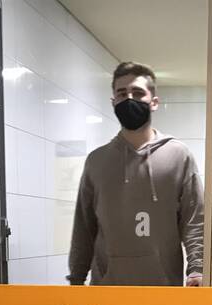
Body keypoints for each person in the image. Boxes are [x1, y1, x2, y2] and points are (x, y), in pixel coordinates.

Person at [67, 61, 204, 287]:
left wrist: (197, 269)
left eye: (138, 93)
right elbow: (83, 227)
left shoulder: (178, 156)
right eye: (122, 93)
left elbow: (194, 220)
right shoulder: (97, 161)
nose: (129, 99)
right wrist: (76, 279)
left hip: (162, 291)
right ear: (113, 102)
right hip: (105, 294)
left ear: (154, 102)